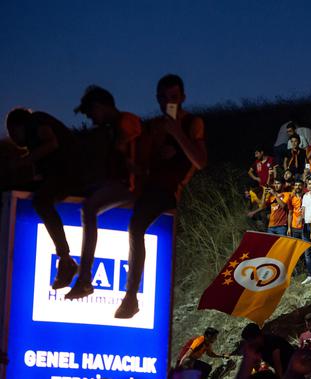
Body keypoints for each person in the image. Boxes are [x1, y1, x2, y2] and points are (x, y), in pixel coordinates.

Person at [115, 74, 207, 318]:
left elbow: (199, 161)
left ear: (183, 98)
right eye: (163, 98)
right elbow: (145, 161)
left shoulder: (191, 123)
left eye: (174, 98)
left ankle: (131, 294)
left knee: (136, 225)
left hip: (167, 190)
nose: (168, 102)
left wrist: (176, 133)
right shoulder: (154, 126)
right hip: (148, 185)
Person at [66, 86, 143, 299]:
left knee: (89, 209)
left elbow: (132, 147)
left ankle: (84, 279)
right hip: (123, 183)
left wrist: (120, 149)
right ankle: (83, 278)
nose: (91, 118)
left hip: (132, 185)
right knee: (88, 204)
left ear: (100, 107)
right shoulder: (112, 127)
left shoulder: (125, 121)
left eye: (91, 112)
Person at [5, 108, 82, 289]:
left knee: (41, 202)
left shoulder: (36, 121)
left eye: (12, 132)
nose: (13, 138)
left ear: (18, 125)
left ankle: (65, 259)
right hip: (61, 174)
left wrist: (24, 160)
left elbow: (52, 143)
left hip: (71, 173)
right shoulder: (33, 141)